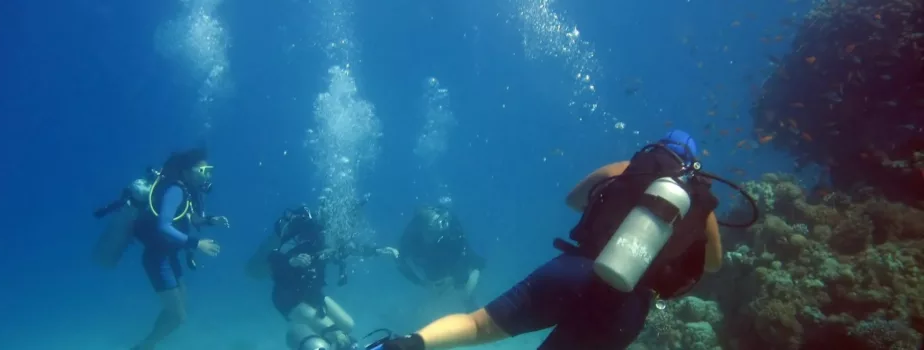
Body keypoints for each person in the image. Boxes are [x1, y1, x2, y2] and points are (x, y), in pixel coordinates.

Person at [366, 130, 758, 350]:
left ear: (656, 151)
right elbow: (712, 265)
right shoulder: (699, 203)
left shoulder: (624, 168)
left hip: (573, 271)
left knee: (476, 324)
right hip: (629, 302)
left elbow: (573, 200)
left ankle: (403, 346)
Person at [246, 205, 399, 350]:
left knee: (348, 326)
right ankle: (303, 335)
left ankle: (311, 334)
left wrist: (379, 250)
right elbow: (273, 258)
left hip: (314, 296)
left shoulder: (331, 242)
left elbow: (354, 249)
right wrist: (291, 261)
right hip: (290, 299)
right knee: (339, 336)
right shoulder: (304, 237)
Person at [125, 148, 228, 350]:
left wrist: (210, 221)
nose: (207, 174)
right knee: (178, 316)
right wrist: (197, 244)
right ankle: (144, 346)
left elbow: (191, 217)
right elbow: (163, 225)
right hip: (157, 258)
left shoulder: (187, 191)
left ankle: (147, 345)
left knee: (180, 308)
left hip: (170, 255)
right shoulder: (176, 190)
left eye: (209, 170)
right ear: (187, 171)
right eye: (203, 170)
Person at [395, 205, 485, 310]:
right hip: (430, 265)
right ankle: (443, 295)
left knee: (460, 281)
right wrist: (421, 282)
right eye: (430, 232)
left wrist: (468, 286)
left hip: (448, 258)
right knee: (435, 281)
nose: (433, 236)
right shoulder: (411, 238)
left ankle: (467, 301)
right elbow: (400, 260)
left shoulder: (451, 234)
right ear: (422, 229)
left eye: (436, 233)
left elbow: (472, 258)